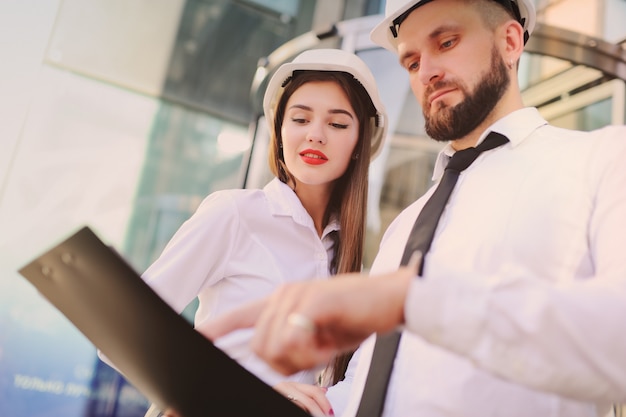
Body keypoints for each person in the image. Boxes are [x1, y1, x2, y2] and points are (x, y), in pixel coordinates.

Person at [202, 0, 626, 416]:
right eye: (411, 62)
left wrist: (408, 300)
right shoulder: (405, 225)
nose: (427, 72)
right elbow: (376, 378)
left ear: (511, 41)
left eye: (446, 42)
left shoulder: (605, 160)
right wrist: (306, 403)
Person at [111, 48, 388, 417]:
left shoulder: (346, 253)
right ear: (279, 130)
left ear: (359, 145)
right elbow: (121, 334)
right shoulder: (234, 213)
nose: (315, 135)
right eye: (300, 119)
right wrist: (255, 393)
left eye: (337, 124)